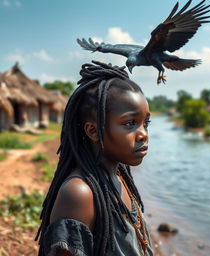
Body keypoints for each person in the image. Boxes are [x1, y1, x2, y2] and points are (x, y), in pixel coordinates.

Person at [36, 61, 154, 256]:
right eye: (130, 123)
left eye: (145, 123)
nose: (143, 134)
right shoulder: (80, 194)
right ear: (93, 131)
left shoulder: (118, 178)